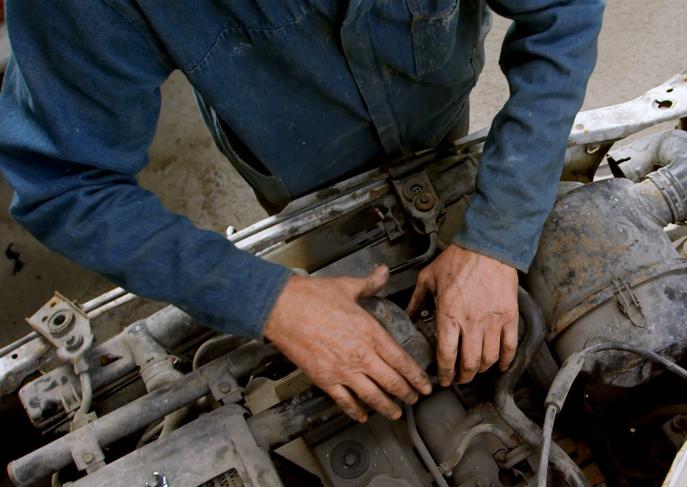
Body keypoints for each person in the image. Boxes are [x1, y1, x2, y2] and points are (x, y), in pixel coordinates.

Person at [0, 1, 603, 422]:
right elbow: (66, 180)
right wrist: (268, 299)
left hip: (435, 110)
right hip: (293, 164)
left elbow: (563, 12)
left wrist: (496, 236)